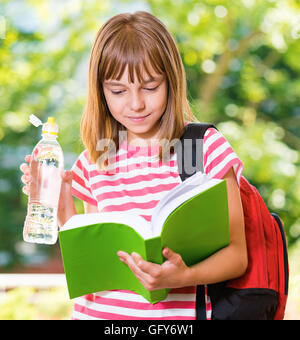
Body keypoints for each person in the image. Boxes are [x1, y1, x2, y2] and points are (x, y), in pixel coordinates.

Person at [20, 11, 247, 320]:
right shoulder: (94, 159)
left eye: (150, 87)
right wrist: (62, 215)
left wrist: (181, 277)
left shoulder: (202, 148)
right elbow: (95, 265)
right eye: (118, 91)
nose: (136, 103)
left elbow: (237, 256)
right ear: (100, 90)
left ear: (171, 81)